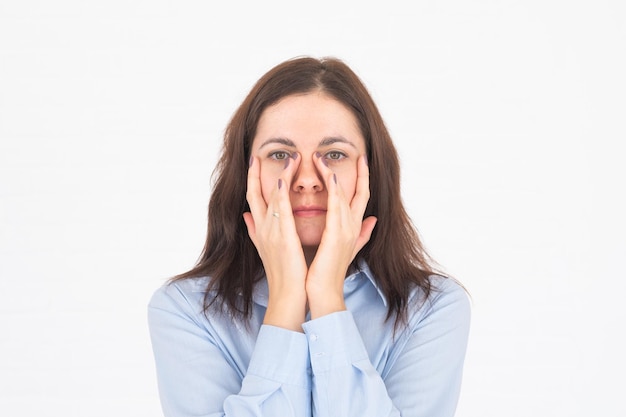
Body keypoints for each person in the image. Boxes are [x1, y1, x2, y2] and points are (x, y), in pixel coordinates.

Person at [147, 56, 471, 417]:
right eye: (280, 154)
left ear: (371, 173)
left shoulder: (434, 309)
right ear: (245, 175)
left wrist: (327, 297)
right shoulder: (184, 311)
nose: (306, 179)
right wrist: (286, 298)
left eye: (334, 154)